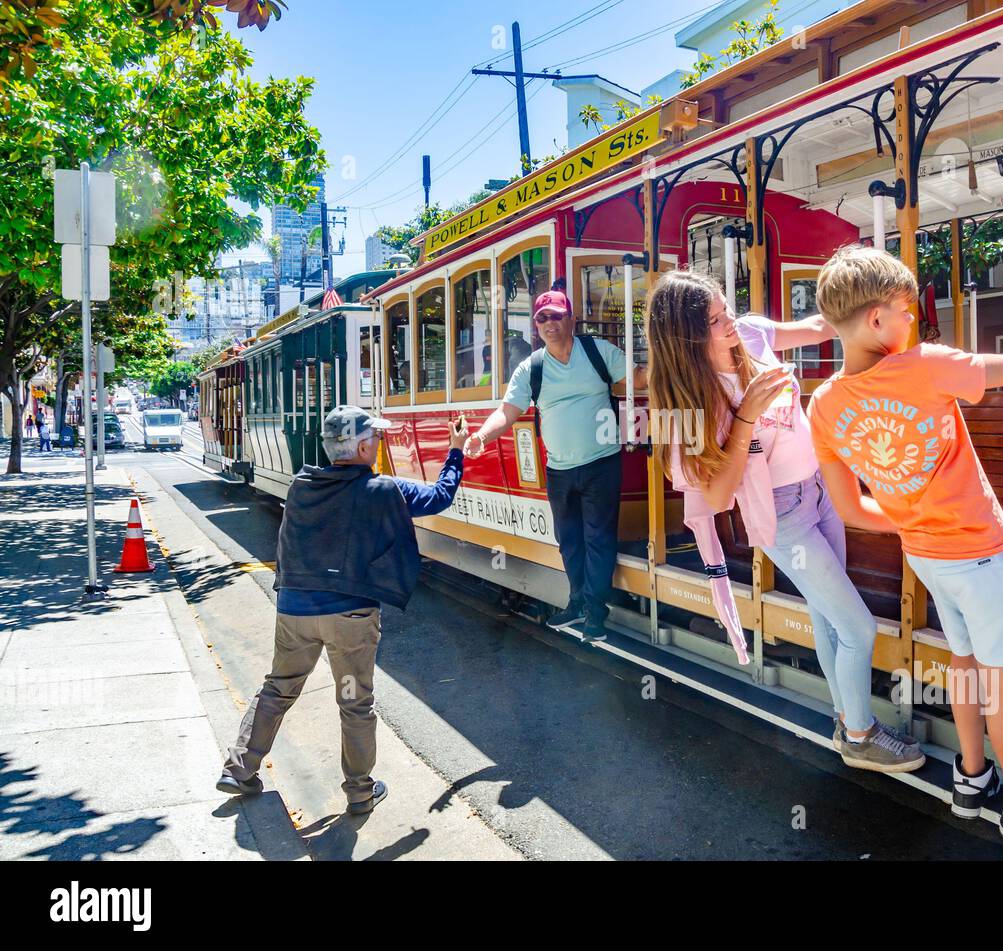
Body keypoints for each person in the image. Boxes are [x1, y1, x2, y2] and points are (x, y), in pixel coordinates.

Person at [808, 246, 1003, 845]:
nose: (912, 322)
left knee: (966, 664)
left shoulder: (822, 406)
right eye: (906, 311)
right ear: (876, 319)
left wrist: (911, 520)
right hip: (984, 553)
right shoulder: (921, 365)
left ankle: (972, 779)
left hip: (926, 557)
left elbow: (849, 508)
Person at [645, 269, 923, 772]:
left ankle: (849, 723)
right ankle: (861, 736)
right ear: (685, 335)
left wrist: (872, 298)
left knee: (828, 619)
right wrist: (747, 413)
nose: (729, 319)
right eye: (715, 318)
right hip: (782, 515)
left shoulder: (747, 332)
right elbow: (718, 493)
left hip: (820, 490)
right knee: (858, 628)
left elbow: (820, 325)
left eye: (726, 306)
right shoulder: (685, 403)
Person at [218, 406, 467, 814]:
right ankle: (358, 791)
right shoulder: (384, 491)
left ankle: (239, 769)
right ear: (364, 445)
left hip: (295, 610)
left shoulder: (301, 485)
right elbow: (440, 497)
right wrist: (455, 450)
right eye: (378, 440)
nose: (380, 445)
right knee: (354, 701)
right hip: (349, 618)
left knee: (278, 687)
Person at [465, 289, 646, 644]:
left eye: (556, 316)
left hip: (601, 464)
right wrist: (481, 437)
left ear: (571, 320)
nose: (549, 323)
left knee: (598, 538)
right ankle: (576, 601)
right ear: (536, 326)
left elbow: (637, 377)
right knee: (569, 542)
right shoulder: (531, 367)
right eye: (542, 318)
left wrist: (682, 365)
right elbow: (507, 412)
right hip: (559, 470)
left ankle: (595, 613)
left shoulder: (595, 352)